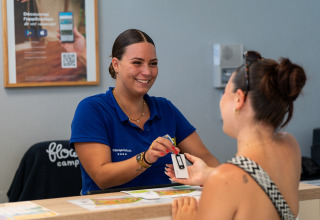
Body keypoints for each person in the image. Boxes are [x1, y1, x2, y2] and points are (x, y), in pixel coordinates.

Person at [70, 29, 220, 195]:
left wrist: (217, 176)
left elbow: (205, 157)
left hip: (166, 208)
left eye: (153, 63)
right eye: (137, 63)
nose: (147, 72)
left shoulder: (165, 108)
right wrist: (146, 158)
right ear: (116, 64)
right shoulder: (92, 109)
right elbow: (102, 177)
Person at [166, 51, 306, 220]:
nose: (221, 100)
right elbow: (257, 181)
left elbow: (238, 181)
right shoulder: (290, 145)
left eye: (225, 92)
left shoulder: (223, 179)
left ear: (239, 99)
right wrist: (209, 173)